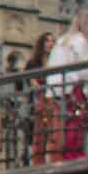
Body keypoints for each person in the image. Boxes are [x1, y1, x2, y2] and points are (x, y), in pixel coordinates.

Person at [50, 10, 88, 162]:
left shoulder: (62, 40)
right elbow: (87, 69)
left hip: (57, 88)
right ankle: (74, 155)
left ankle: (65, 154)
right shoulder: (80, 41)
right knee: (76, 122)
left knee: (64, 122)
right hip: (74, 87)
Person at [26, 31, 57, 164]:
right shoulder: (33, 63)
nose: (50, 43)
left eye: (52, 41)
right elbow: (31, 82)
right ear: (42, 44)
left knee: (53, 130)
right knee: (40, 132)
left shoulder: (56, 61)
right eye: (47, 40)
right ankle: (38, 161)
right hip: (40, 100)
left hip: (53, 99)